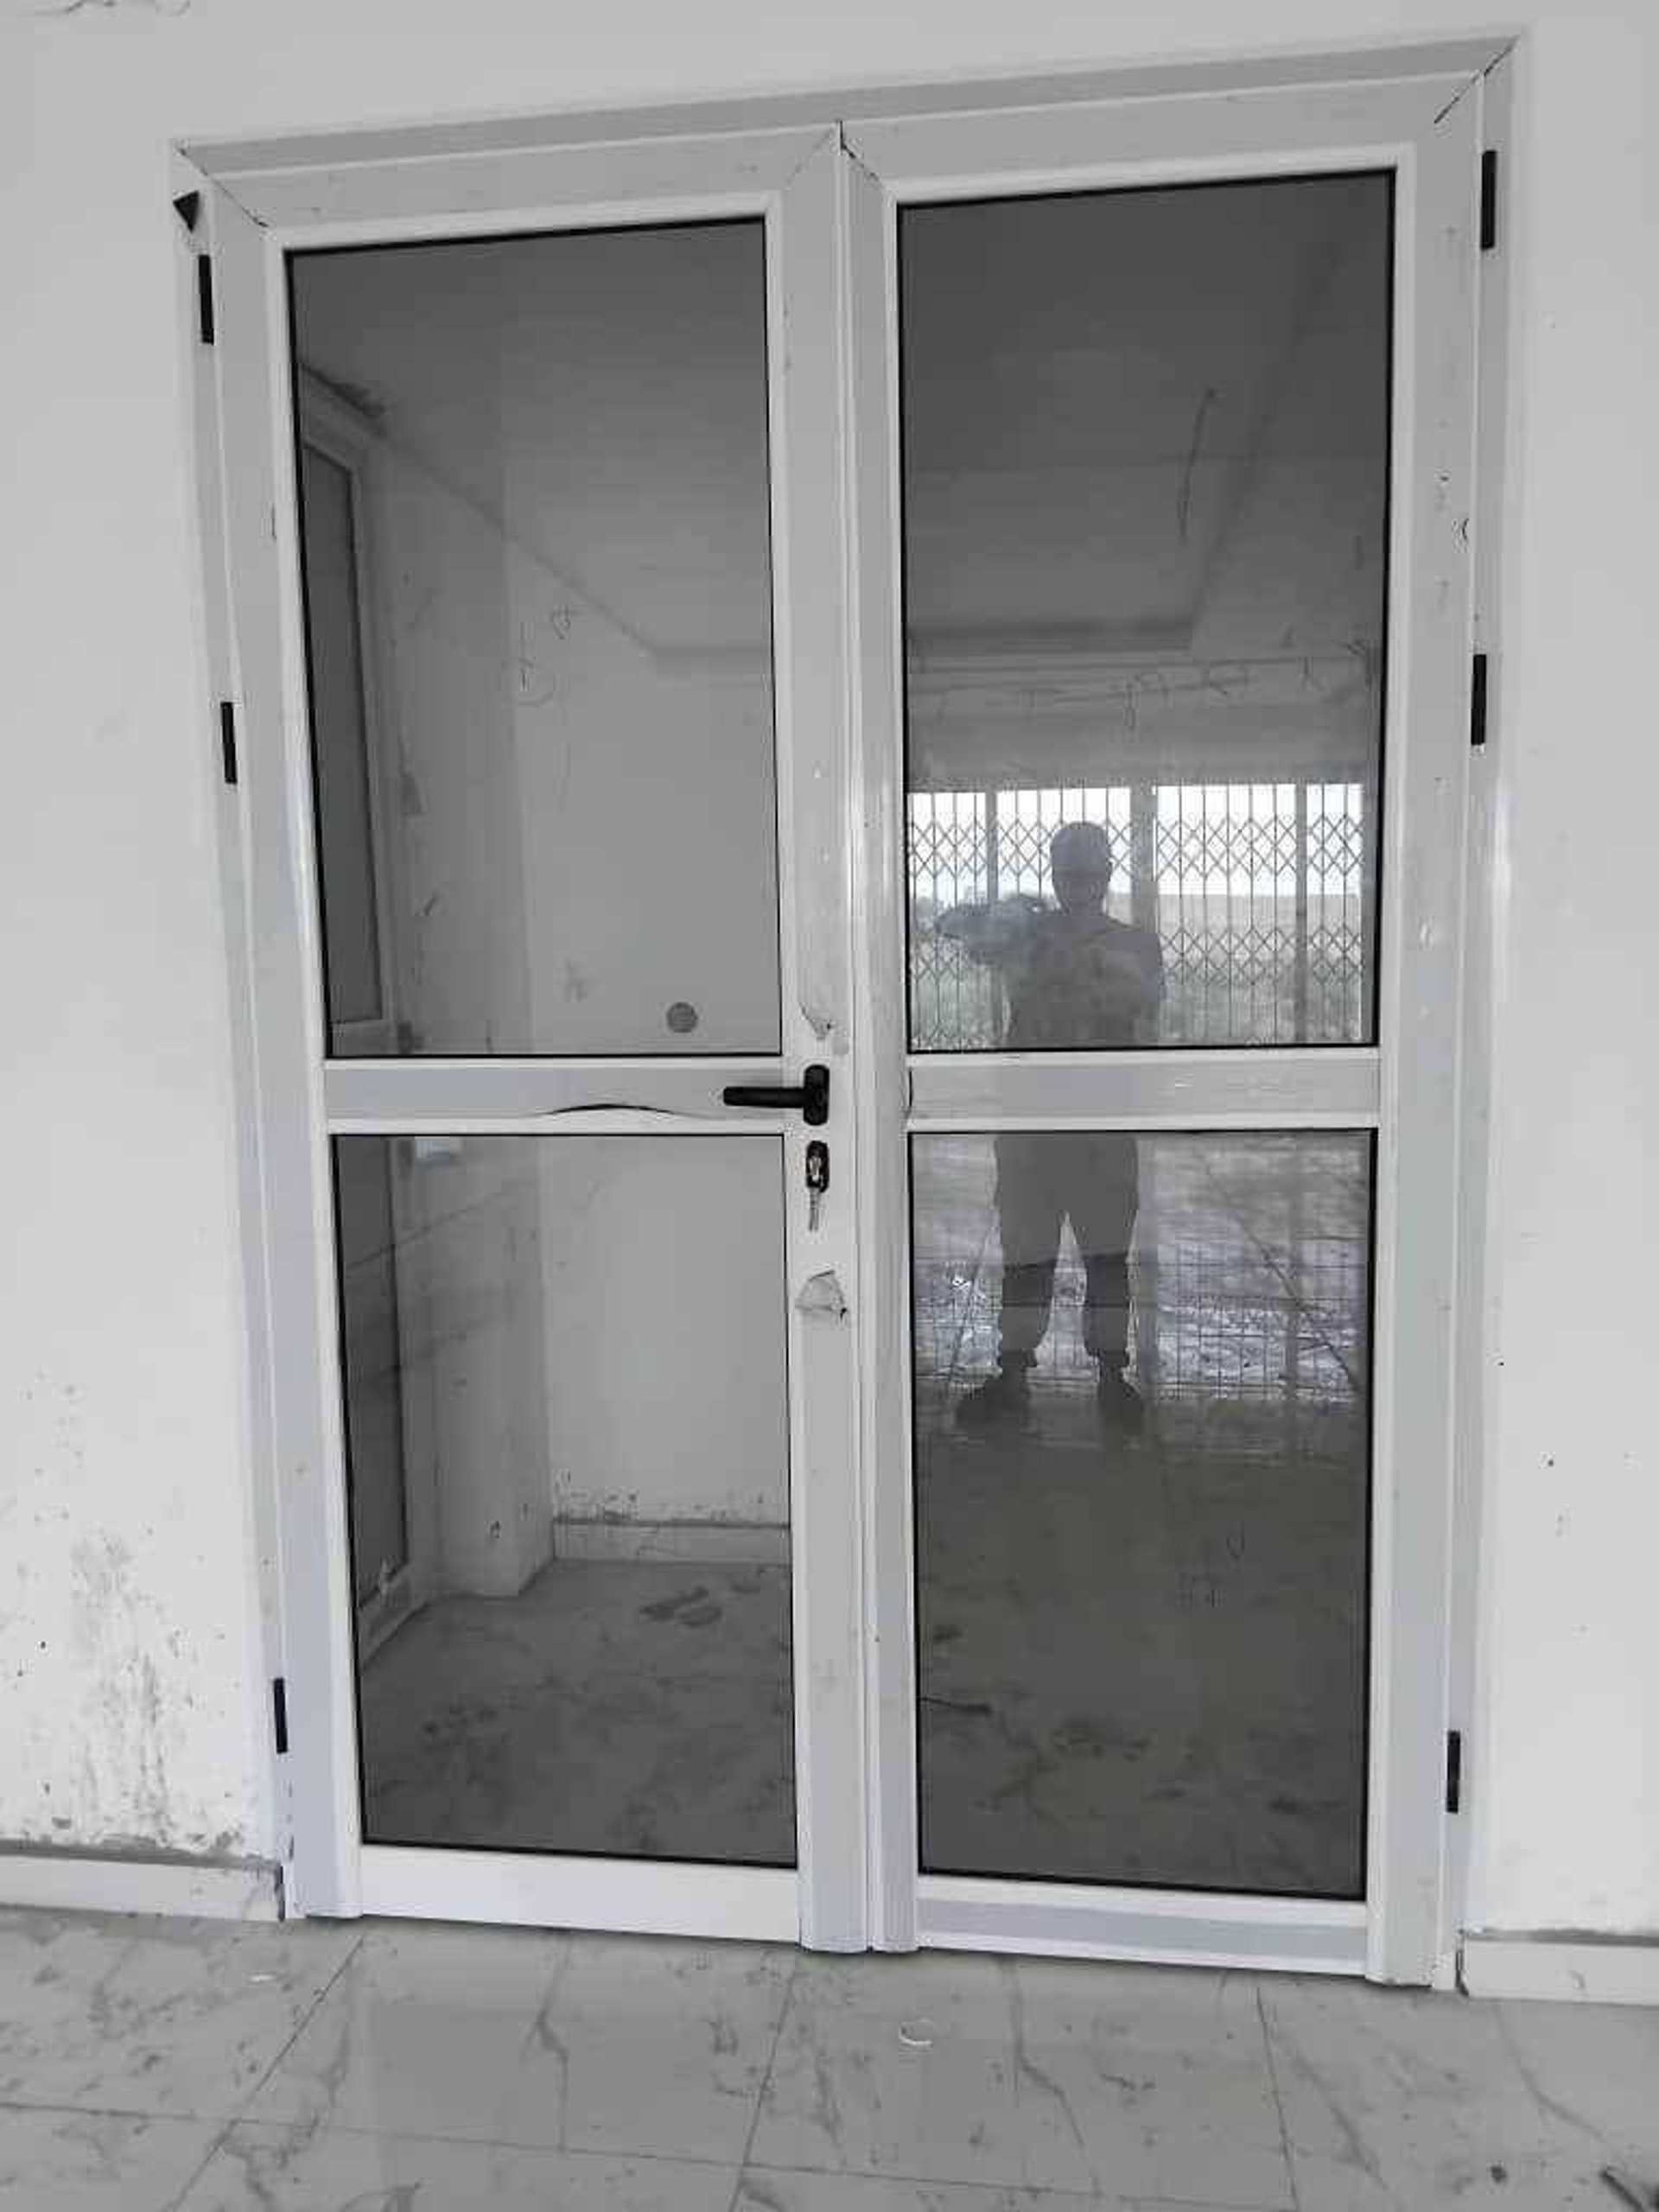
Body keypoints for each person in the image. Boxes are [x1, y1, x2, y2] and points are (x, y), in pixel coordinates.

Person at [937, 819, 1164, 1430]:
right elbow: (950, 925)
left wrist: (1068, 954)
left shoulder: (1132, 947)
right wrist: (1010, 912)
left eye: (1087, 873)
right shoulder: (1029, 936)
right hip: (1032, 1127)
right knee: (1026, 1255)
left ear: (1107, 876)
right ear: (1057, 877)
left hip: (1099, 1128)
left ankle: (1111, 1373)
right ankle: (1015, 1372)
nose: (1077, 885)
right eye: (1067, 873)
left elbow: (1143, 1005)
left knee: (1106, 1257)